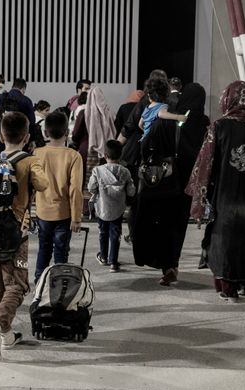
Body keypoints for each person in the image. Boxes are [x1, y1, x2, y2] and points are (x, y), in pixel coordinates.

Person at [186, 80, 245, 302]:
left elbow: (206, 163)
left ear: (228, 99)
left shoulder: (219, 126)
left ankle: (227, 286)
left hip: (225, 194)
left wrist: (201, 195)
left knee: (223, 239)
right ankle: (243, 281)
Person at [0, 112, 48, 361]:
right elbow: (43, 186)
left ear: (0, 135)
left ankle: (5, 336)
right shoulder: (30, 161)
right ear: (27, 136)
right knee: (17, 286)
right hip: (14, 234)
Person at [132, 83, 210, 286]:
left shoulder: (171, 119)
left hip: (167, 181)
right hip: (187, 184)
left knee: (163, 223)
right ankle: (173, 264)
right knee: (178, 226)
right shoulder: (204, 123)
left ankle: (165, 264)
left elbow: (149, 142)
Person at [32, 111, 83, 283]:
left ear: (45, 132)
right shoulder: (73, 156)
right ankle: (59, 285)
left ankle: (40, 282)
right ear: (67, 132)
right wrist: (76, 217)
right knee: (61, 251)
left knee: (43, 248)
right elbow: (75, 189)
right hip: (64, 214)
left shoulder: (36, 154)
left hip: (42, 212)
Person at [88, 139, 135, 272]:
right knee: (115, 234)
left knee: (103, 232)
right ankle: (114, 262)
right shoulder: (125, 172)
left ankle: (103, 256)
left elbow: (91, 188)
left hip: (102, 207)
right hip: (118, 209)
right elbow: (131, 191)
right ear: (120, 156)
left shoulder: (97, 171)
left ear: (105, 155)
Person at [0, 78, 37, 154]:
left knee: (0, 161)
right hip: (19, 140)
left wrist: (3, 122)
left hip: (1, 137)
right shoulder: (26, 101)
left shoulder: (0, 97)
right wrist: (32, 140)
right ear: (23, 88)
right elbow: (31, 122)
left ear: (13, 86)